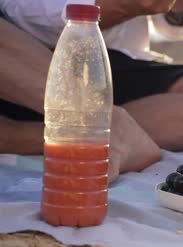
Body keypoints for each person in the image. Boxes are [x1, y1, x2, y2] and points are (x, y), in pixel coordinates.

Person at [0, 0, 183, 151]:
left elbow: (172, 25)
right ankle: (104, 131)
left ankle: (24, 137)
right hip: (27, 59)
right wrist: (107, 7)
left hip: (119, 61)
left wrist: (179, 6)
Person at [0, 17, 161, 182]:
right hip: (57, 47)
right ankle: (99, 131)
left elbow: (171, 25)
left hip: (116, 57)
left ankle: (102, 132)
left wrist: (176, 14)